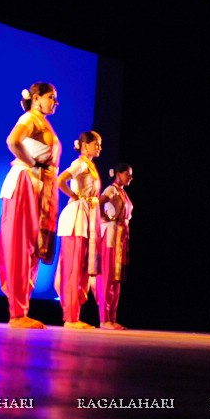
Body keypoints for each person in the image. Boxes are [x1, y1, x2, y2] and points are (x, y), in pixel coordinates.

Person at [0, 83, 61, 329]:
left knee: (32, 246)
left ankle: (21, 309)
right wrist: (30, 162)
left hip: (38, 185)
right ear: (36, 98)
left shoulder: (42, 121)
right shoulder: (30, 118)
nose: (55, 102)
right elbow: (12, 140)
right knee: (20, 245)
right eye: (51, 97)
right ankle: (17, 313)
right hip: (25, 183)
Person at [54, 131, 103, 329]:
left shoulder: (90, 165)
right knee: (73, 268)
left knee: (82, 269)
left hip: (86, 218)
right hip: (76, 219)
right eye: (96, 144)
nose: (99, 147)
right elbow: (60, 180)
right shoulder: (81, 163)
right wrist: (73, 195)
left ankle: (75, 315)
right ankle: (71, 317)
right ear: (84, 146)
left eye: (100, 144)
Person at [94, 163, 134, 330]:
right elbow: (98, 203)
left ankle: (112, 317)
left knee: (116, 279)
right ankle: (104, 319)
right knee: (107, 277)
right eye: (128, 174)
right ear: (119, 174)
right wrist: (106, 218)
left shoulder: (122, 192)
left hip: (120, 238)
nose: (130, 177)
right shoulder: (111, 189)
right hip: (111, 235)